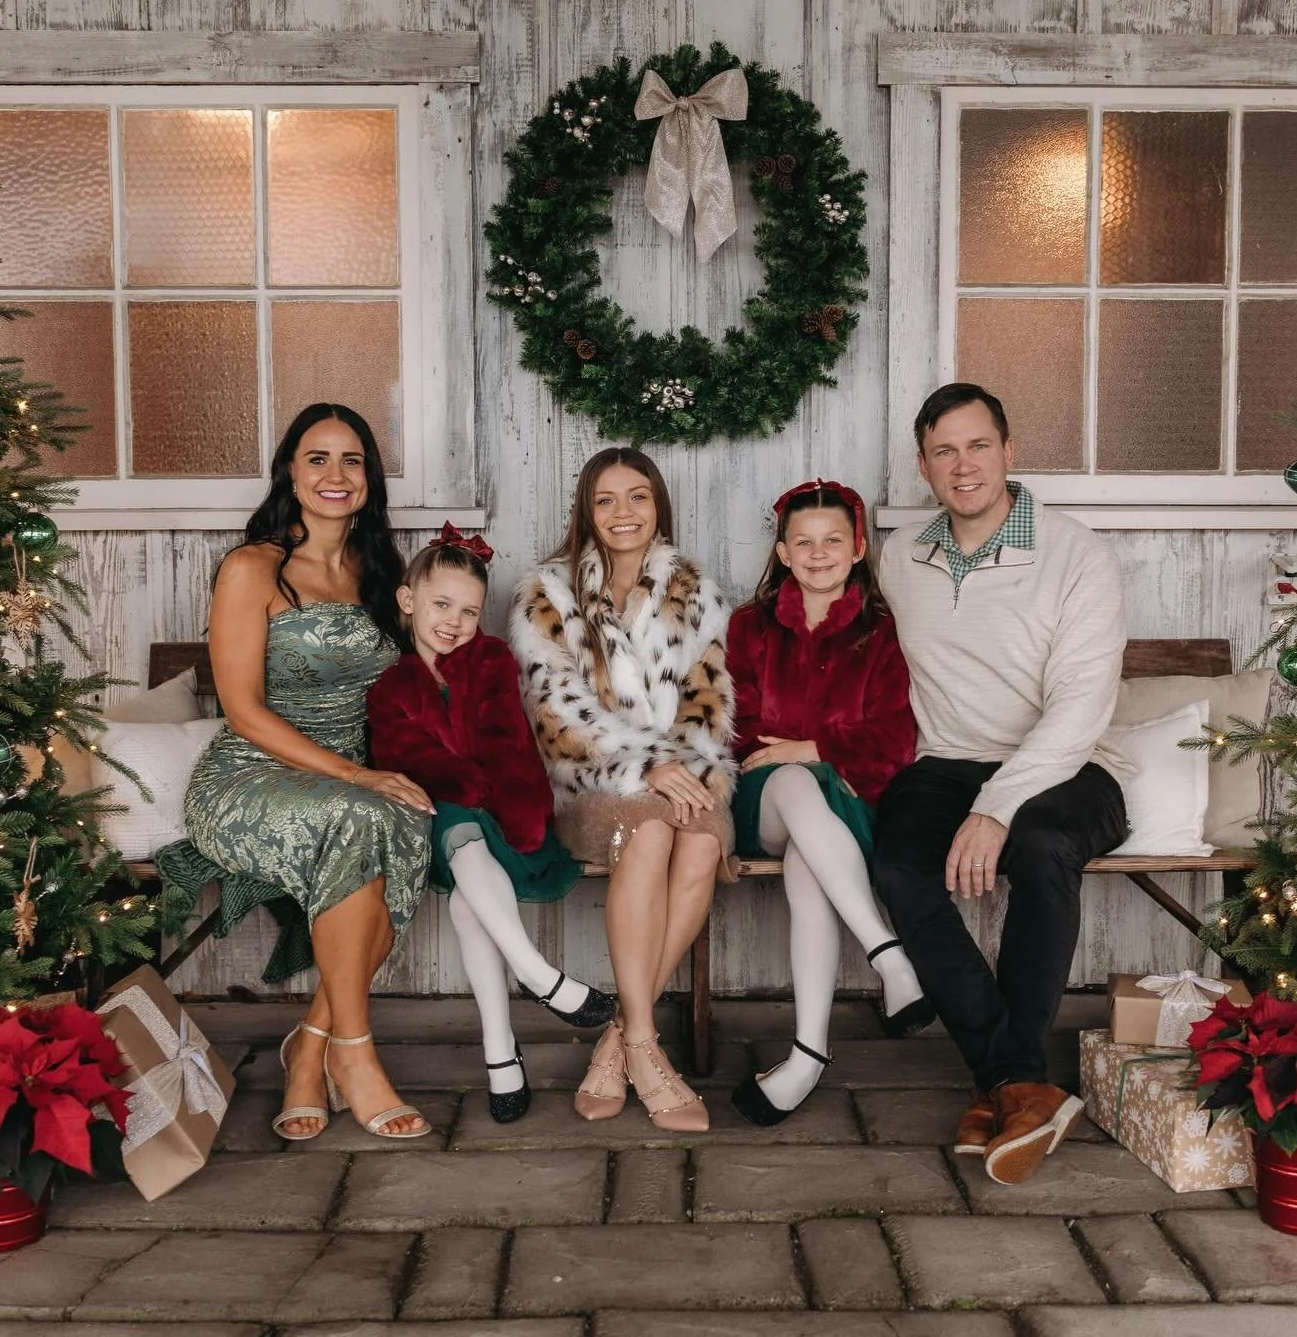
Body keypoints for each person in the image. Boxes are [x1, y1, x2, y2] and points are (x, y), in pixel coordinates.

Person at [874, 383, 1131, 1185]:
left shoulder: (1076, 554)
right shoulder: (900, 558)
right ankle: (1018, 1080)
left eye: (978, 445)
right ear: (924, 466)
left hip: (1071, 763)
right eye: (944, 451)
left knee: (1042, 842)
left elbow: (1079, 707)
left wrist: (996, 807)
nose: (964, 465)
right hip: (946, 760)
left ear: (1009, 450)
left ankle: (1004, 1084)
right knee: (897, 863)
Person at [183, 403, 434, 1144]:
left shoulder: (383, 573)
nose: (335, 474)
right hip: (251, 774)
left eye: (352, 459)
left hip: (353, 779)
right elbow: (243, 710)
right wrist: (356, 776)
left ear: (370, 478)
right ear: (289, 471)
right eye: (317, 457)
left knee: (403, 818)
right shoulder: (252, 567)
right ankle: (355, 1054)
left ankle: (311, 1047)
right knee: (363, 815)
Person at [510, 448, 736, 1132]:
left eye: (637, 496)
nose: (623, 513)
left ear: (658, 504)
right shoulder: (547, 593)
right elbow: (557, 716)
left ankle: (622, 1041)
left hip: (686, 774)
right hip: (590, 781)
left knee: (700, 842)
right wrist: (643, 768)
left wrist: (682, 770)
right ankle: (644, 1047)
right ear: (586, 511)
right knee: (652, 828)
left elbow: (708, 704)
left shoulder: (694, 591)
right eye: (605, 500)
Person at [366, 524, 614, 1124]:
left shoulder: (491, 661)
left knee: (468, 896)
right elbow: (404, 760)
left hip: (506, 816)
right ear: (408, 600)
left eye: (469, 612)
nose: (453, 622)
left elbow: (508, 746)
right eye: (440, 605)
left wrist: (506, 805)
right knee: (452, 818)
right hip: (433, 822)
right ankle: (540, 977)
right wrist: (464, 786)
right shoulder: (391, 685)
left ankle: (502, 1051)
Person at [726, 479, 928, 1127]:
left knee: (807, 857)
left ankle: (807, 1055)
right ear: (783, 552)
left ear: (858, 547)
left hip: (847, 806)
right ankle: (889, 955)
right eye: (804, 542)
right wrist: (799, 757)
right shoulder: (750, 627)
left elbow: (894, 739)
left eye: (833, 540)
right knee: (791, 783)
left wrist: (813, 746)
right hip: (764, 803)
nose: (819, 553)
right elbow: (737, 730)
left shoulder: (880, 631)